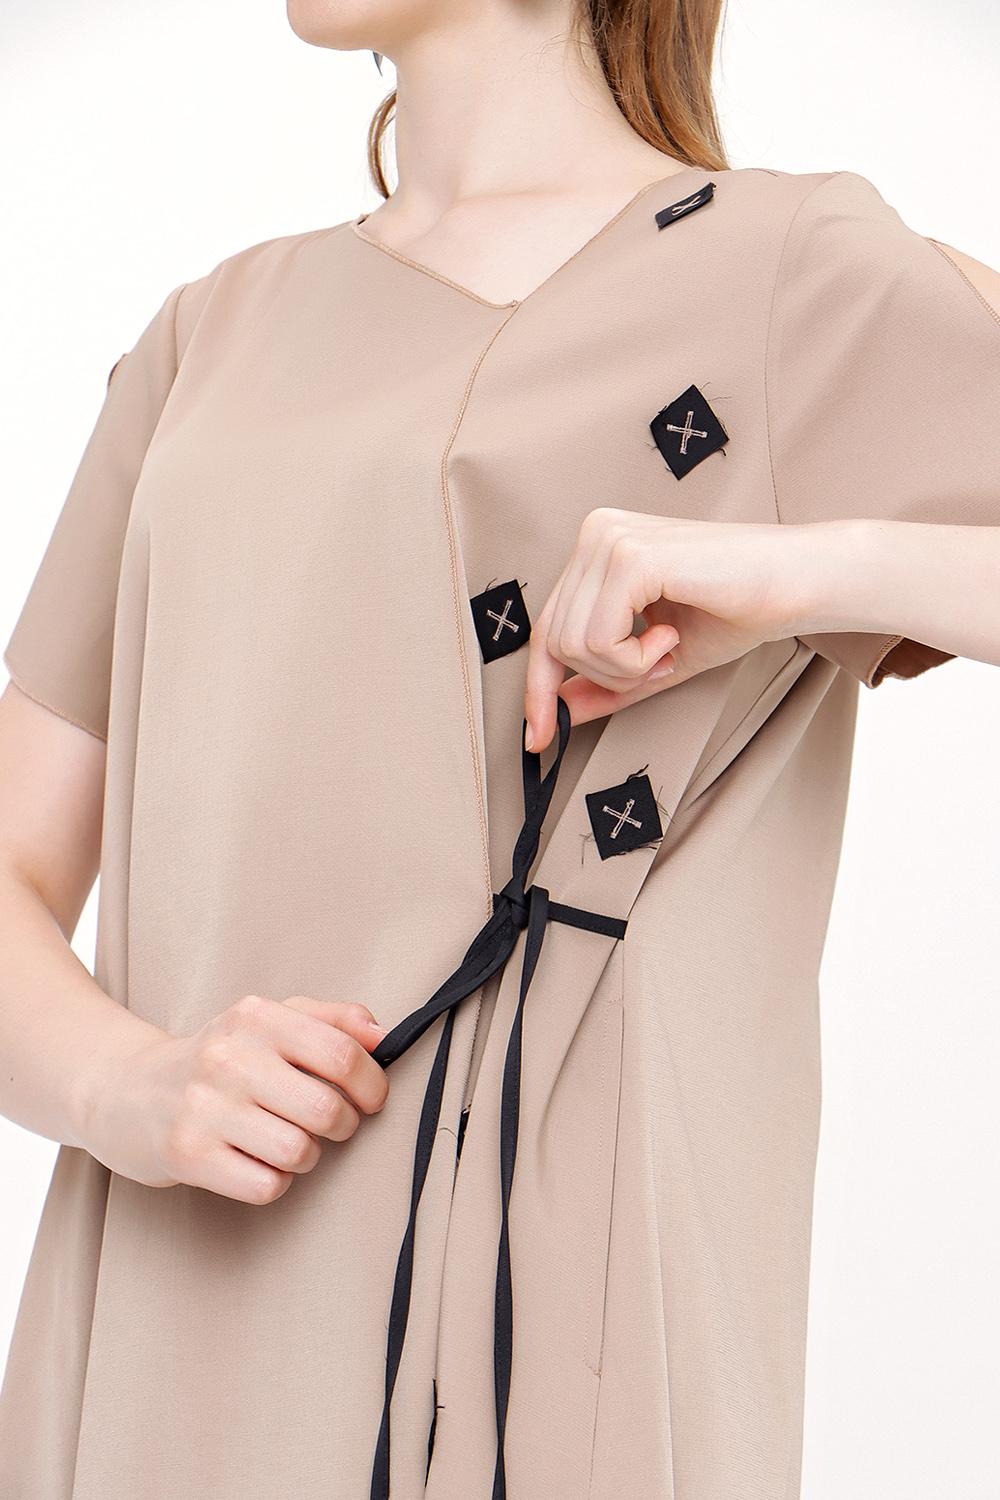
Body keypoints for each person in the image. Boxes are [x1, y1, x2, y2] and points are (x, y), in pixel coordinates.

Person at [1, 2, 997, 1497]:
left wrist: (808, 572)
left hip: (555, 1314)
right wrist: (128, 1087)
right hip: (164, 1324)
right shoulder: (208, 339)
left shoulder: (789, 270)